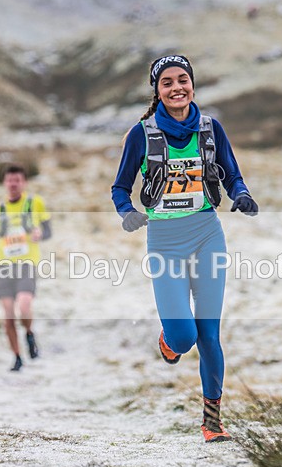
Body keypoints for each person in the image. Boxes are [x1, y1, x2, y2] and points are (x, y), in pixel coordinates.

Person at [111, 55, 259, 443]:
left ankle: (212, 422)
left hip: (208, 234)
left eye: (183, 80)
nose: (177, 87)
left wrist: (241, 196)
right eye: (167, 83)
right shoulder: (141, 134)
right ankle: (167, 341)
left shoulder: (212, 129)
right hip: (165, 241)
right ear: (156, 91)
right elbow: (120, 188)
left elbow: (233, 175)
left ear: (193, 84)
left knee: (209, 335)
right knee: (183, 336)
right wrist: (127, 213)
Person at [0, 164, 52, 372]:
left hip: (27, 263)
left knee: (24, 306)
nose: (13, 184)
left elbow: (48, 231)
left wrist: (39, 235)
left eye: (17, 180)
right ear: (4, 183)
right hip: (3, 266)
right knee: (8, 316)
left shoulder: (35, 203)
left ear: (23, 182)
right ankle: (17, 357)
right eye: (10, 180)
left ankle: (29, 333)